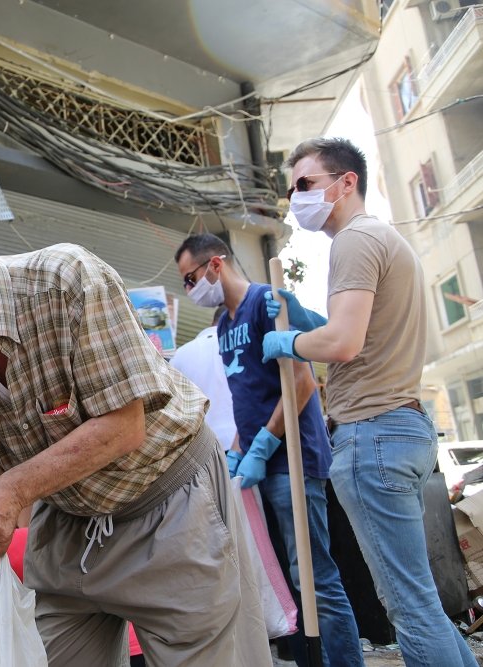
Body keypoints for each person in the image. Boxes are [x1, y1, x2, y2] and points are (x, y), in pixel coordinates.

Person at [0, 209, 272, 667]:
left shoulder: (66, 279)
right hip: (69, 523)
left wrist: (7, 492)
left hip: (167, 508)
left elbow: (123, 426)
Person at [262, 137, 476, 667]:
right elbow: (359, 335)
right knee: (420, 602)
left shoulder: (354, 241)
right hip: (401, 427)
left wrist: (287, 341)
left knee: (409, 608)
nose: (296, 198)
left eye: (306, 184)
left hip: (372, 433)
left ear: (346, 181)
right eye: (292, 190)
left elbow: (342, 343)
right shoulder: (386, 240)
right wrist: (308, 321)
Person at [175, 233, 363, 667]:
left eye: (190, 279)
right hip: (259, 462)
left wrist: (265, 444)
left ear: (215, 265)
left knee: (314, 578)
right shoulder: (223, 325)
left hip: (294, 459)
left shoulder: (265, 304)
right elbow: (248, 400)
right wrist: (240, 450)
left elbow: (300, 384)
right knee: (286, 581)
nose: (190, 291)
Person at [169, 308, 238, 452]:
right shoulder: (243, 347)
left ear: (212, 322)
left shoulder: (181, 354)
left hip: (201, 450)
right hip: (242, 443)